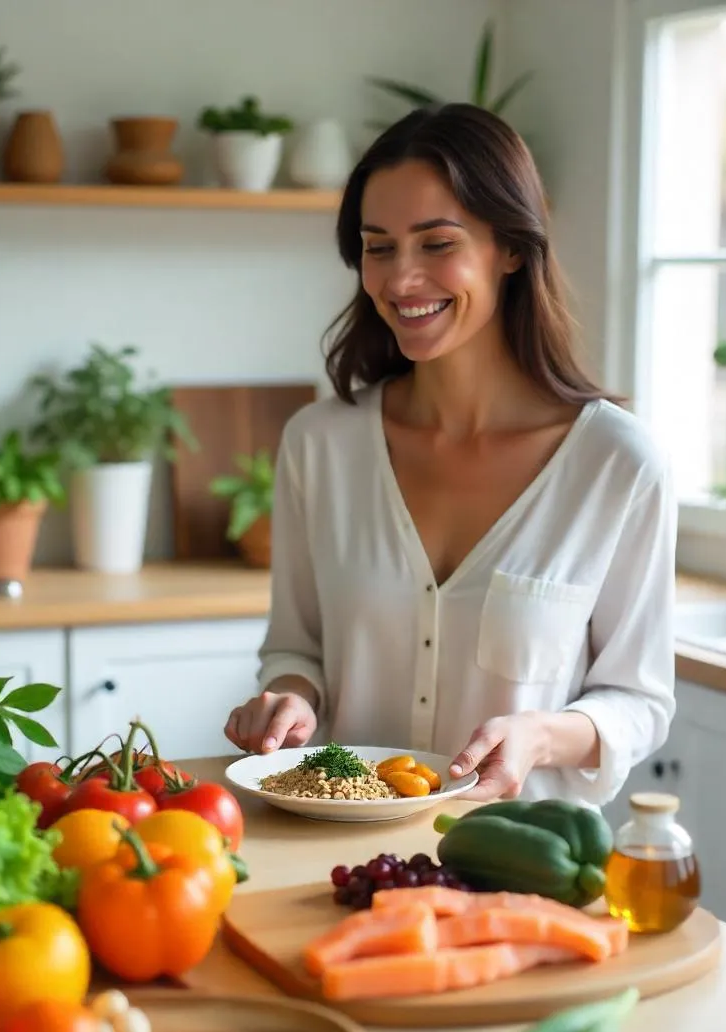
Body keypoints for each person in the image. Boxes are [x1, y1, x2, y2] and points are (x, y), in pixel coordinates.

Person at [224, 103, 676, 808]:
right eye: (378, 247)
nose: (400, 280)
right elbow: (295, 648)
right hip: (343, 865)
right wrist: (291, 699)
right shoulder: (320, 445)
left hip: (522, 870)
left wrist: (541, 736)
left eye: (437, 243)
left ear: (513, 249)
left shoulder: (618, 465)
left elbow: (638, 700)